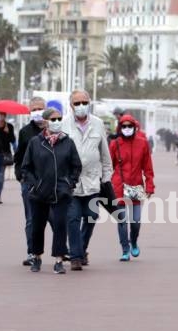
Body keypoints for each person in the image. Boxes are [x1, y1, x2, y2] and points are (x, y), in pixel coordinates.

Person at [21, 108, 82, 274]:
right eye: (53, 119)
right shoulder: (35, 142)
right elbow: (26, 167)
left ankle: (59, 260)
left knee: (60, 226)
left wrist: (69, 183)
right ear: (46, 121)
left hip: (61, 192)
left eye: (59, 119)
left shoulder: (68, 142)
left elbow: (76, 166)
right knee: (37, 226)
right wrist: (34, 185)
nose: (57, 122)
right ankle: (37, 256)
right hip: (39, 193)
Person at [63, 90, 113, 271]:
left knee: (91, 217)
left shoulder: (98, 124)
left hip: (93, 182)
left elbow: (105, 154)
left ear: (89, 103)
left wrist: (106, 177)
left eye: (84, 102)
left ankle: (81, 249)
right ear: (71, 106)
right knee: (73, 218)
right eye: (77, 103)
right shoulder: (63, 125)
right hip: (71, 183)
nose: (81, 106)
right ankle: (76, 257)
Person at [109, 115, 155, 261]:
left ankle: (133, 241)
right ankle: (125, 249)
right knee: (121, 220)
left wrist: (150, 186)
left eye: (129, 126)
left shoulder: (143, 144)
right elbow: (109, 166)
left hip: (136, 186)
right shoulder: (114, 144)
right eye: (124, 126)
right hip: (119, 186)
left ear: (135, 127)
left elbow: (148, 168)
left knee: (135, 221)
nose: (127, 129)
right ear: (120, 128)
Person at [15, 97, 47, 266]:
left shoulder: (53, 129)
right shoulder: (25, 132)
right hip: (29, 182)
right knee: (31, 219)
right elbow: (18, 157)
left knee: (57, 219)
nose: (37, 112)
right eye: (34, 109)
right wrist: (20, 175)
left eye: (40, 108)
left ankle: (63, 251)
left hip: (51, 182)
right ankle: (32, 253)